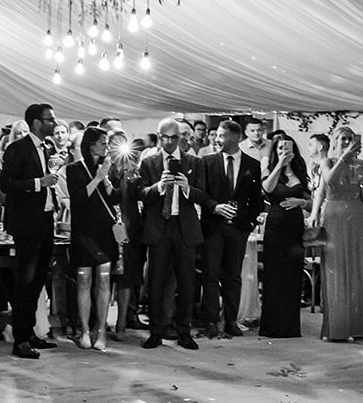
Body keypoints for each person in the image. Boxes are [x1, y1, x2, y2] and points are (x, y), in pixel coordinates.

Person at [135, 117, 209, 350]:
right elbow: (140, 193)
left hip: (184, 226)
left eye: (173, 138)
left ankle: (184, 331)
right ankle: (156, 331)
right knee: (156, 282)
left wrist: (187, 188)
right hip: (159, 228)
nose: (168, 142)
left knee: (187, 283)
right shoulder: (150, 162)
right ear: (158, 137)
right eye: (163, 137)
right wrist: (158, 187)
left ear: (180, 138)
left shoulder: (194, 163)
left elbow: (204, 195)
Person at [0, 103, 63, 360]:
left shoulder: (46, 149)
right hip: (26, 223)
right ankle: (21, 339)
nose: (54, 124)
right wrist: (40, 183)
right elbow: (7, 184)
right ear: (37, 122)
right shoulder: (18, 149)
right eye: (50, 120)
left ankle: (31, 331)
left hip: (45, 220)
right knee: (25, 280)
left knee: (38, 281)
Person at [198, 120, 263, 339]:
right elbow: (200, 193)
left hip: (238, 229)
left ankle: (231, 320)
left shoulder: (252, 165)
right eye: (216, 135)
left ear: (236, 138)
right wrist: (214, 207)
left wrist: (248, 224)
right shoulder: (207, 162)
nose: (218, 139)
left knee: (233, 276)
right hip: (212, 226)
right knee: (210, 274)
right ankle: (210, 321)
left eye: (222, 135)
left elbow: (256, 200)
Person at [311, 126, 363, 343]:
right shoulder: (327, 161)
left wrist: (362, 181)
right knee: (335, 268)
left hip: (355, 215)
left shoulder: (361, 164)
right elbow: (329, 181)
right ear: (335, 140)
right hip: (334, 215)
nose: (346, 142)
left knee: (356, 267)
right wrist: (344, 158)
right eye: (343, 138)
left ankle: (357, 326)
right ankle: (336, 327)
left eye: (350, 139)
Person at [66, 125, 118, 351]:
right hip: (83, 231)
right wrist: (97, 177)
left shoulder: (109, 167)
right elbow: (79, 198)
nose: (106, 147)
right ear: (90, 144)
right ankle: (85, 329)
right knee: (84, 278)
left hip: (105, 230)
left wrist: (106, 177)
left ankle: (102, 329)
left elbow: (115, 198)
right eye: (102, 142)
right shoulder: (74, 169)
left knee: (104, 279)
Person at [259, 134, 311, 339]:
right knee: (273, 276)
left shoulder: (300, 172)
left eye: (286, 148)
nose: (283, 151)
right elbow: (267, 189)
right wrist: (279, 164)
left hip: (294, 228)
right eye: (279, 149)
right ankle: (271, 326)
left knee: (292, 277)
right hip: (275, 227)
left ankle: (290, 327)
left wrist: (300, 203)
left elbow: (310, 200)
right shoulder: (270, 170)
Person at [112, 133, 146, 340]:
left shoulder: (133, 170)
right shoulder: (106, 169)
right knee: (111, 272)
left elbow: (138, 195)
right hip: (112, 225)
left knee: (126, 273)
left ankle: (122, 322)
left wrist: (134, 178)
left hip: (129, 226)